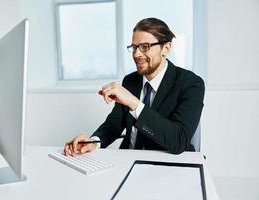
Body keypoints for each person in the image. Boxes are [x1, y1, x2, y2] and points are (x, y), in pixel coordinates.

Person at [63, 17, 204, 156]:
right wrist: (93, 142)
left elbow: (178, 141)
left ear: (165, 49)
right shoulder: (130, 80)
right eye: (134, 47)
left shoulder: (191, 84)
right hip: (128, 159)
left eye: (145, 47)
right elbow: (115, 122)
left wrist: (134, 104)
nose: (137, 54)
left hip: (165, 164)